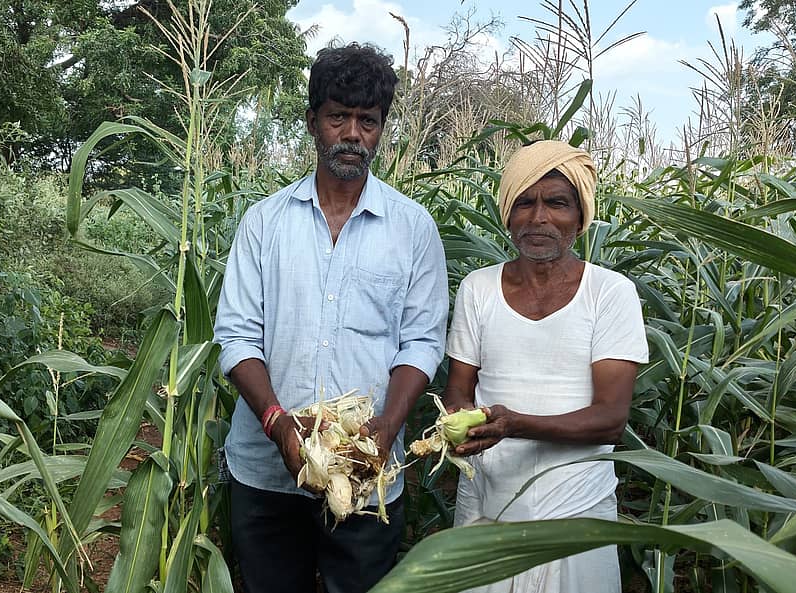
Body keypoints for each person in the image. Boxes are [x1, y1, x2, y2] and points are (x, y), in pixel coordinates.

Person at [213, 43, 448, 593]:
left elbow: (421, 342)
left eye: (367, 121)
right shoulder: (264, 224)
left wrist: (387, 427)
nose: (352, 134)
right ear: (312, 121)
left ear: (381, 127)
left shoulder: (413, 230)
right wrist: (278, 424)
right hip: (265, 475)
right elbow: (236, 336)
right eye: (338, 116)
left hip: (367, 475)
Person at [443, 140, 648, 593]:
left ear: (579, 217)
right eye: (524, 202)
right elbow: (458, 389)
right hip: (486, 506)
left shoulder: (609, 294)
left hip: (575, 514)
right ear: (508, 215)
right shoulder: (478, 290)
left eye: (556, 203)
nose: (538, 218)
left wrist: (513, 425)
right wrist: (460, 425)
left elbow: (610, 419)